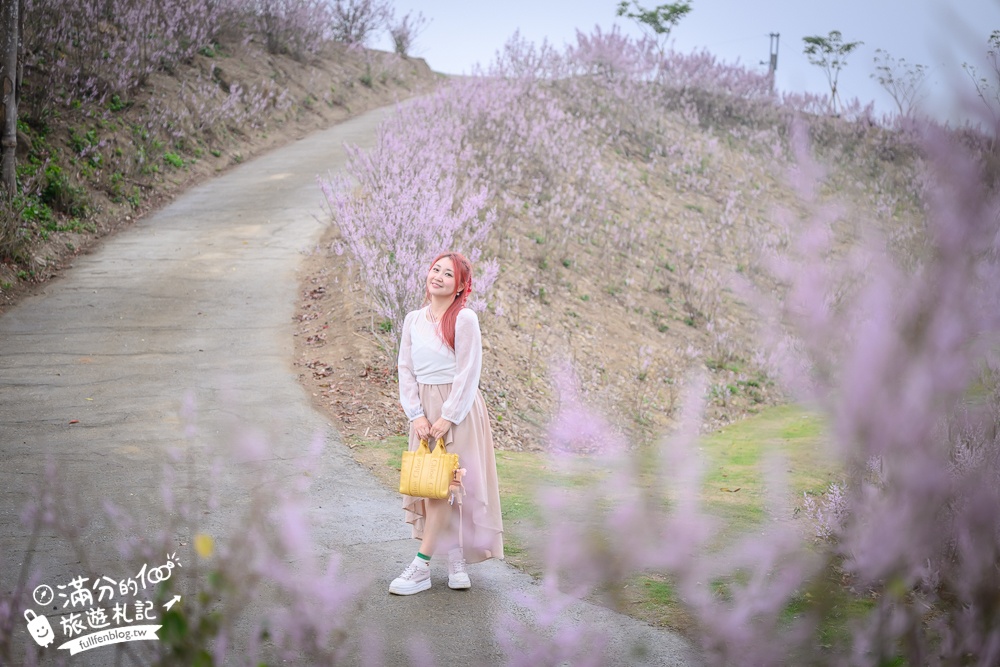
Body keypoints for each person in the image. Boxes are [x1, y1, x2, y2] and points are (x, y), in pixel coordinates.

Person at [390, 251, 504, 595]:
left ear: (460, 287)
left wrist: (447, 417)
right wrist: (417, 415)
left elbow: (468, 371)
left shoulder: (464, 318)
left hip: (460, 409)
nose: (438, 276)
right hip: (423, 411)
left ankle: (423, 564)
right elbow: (405, 369)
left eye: (448, 274)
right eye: (435, 270)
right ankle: (452, 555)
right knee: (432, 486)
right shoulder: (413, 319)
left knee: (453, 488)